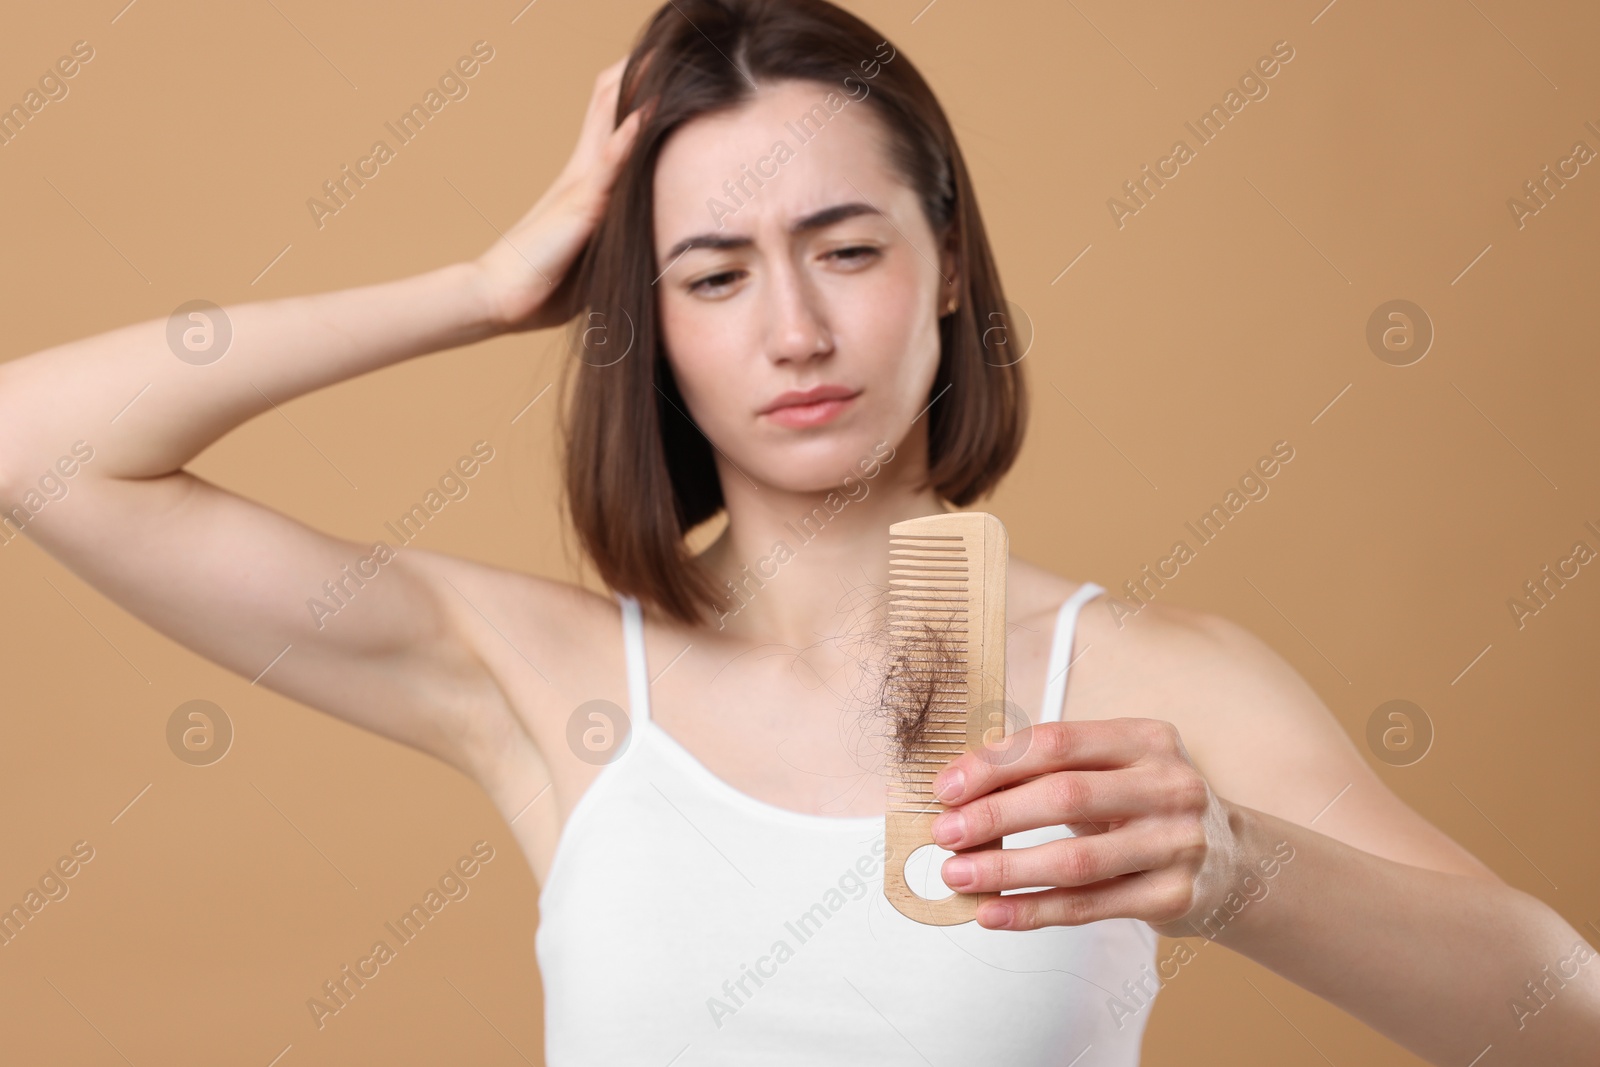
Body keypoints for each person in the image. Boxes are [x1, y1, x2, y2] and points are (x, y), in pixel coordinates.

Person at [1, 0, 1595, 1062]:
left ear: (951, 263)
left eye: (846, 247)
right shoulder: (535, 672)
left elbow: (1559, 1012)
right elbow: (33, 448)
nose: (794, 330)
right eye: (710, 274)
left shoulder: (1140, 681)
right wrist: (485, 290)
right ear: (651, 321)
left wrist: (1240, 872)